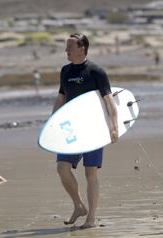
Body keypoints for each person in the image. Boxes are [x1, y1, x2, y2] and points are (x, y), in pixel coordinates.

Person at [52, 33, 118, 229]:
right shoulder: (65, 71)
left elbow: (109, 101)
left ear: (82, 48)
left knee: (91, 174)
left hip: (93, 128)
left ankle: (91, 218)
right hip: (71, 128)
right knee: (62, 168)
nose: (66, 51)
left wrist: (114, 127)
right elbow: (61, 97)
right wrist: (53, 122)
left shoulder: (96, 71)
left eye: (69, 48)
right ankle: (79, 205)